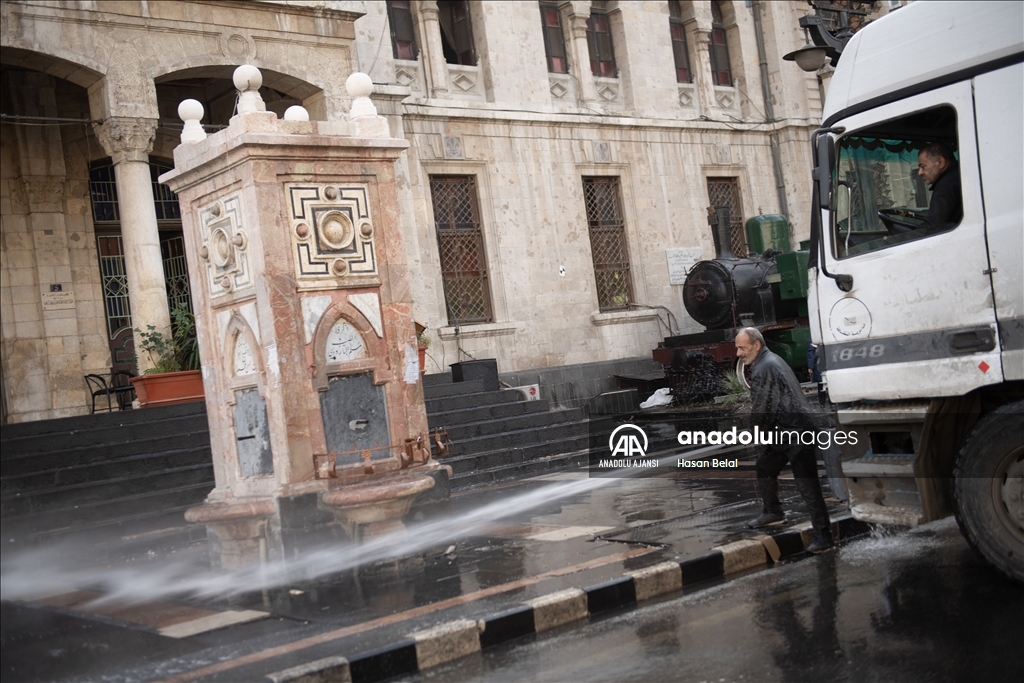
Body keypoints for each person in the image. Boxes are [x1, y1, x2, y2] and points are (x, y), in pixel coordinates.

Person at [735, 327, 833, 553]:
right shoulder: (769, 361)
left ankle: (824, 536)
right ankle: (773, 511)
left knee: (807, 486)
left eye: (742, 347)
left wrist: (754, 431)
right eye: (737, 348)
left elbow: (764, 407)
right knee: (765, 466)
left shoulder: (764, 367)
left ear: (756, 345)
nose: (739, 353)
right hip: (784, 432)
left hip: (797, 433)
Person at [917, 142, 962, 230]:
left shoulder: (945, 186)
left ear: (940, 162)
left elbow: (933, 225)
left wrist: (902, 239)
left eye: (923, 166)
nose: (920, 173)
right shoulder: (959, 175)